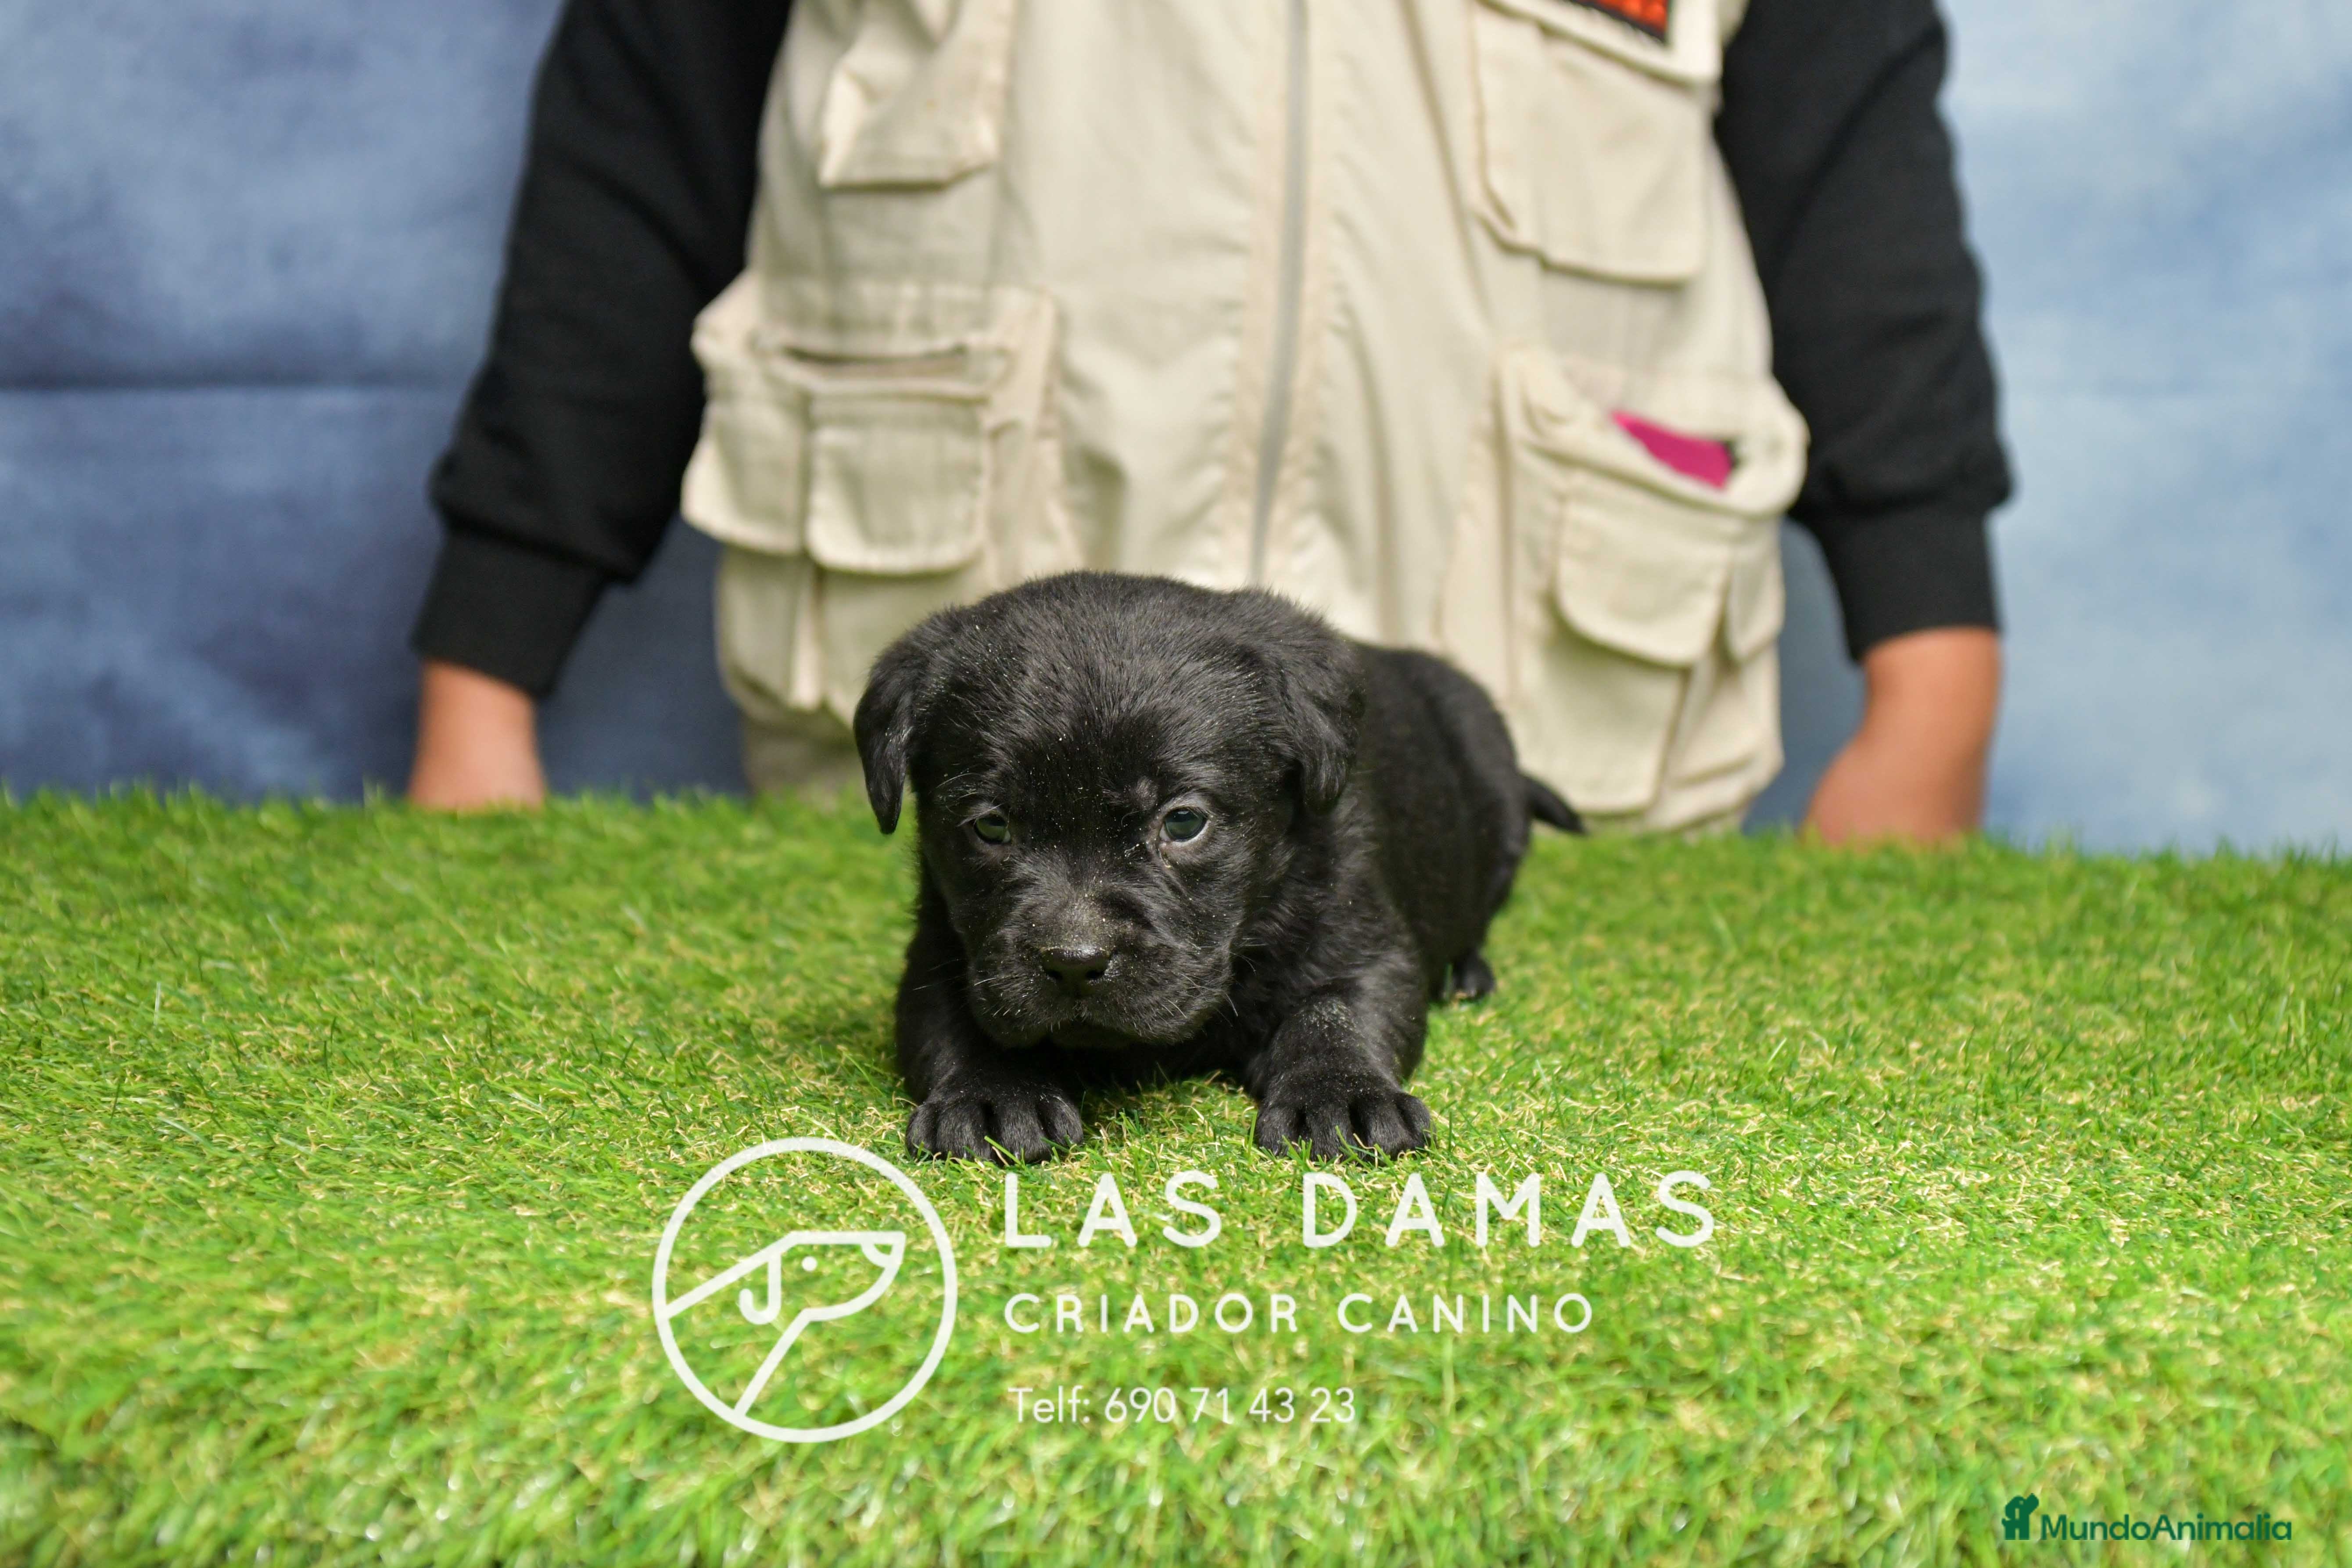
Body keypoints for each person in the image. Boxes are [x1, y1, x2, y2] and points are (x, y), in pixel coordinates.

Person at [408, 0, 2008, 843]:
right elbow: (637, 160)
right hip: (971, 848)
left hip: (1543, 822)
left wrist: (1929, 709)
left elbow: (1860, 209)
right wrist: (481, 697)